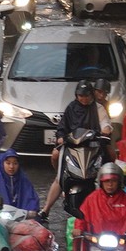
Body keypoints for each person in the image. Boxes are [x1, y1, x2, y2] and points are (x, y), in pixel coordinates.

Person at [40, 81, 106, 215]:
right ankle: (46, 210)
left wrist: (105, 131)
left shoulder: (98, 108)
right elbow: (62, 127)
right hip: (72, 146)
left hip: (92, 147)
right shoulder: (71, 108)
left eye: (86, 95)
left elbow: (105, 123)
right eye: (80, 96)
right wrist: (61, 137)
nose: (83, 98)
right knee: (58, 167)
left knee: (110, 156)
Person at [0, 148, 41, 213]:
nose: (11, 166)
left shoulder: (23, 179)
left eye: (15, 163)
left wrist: (31, 211)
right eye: (8, 163)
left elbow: (32, 198)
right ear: (2, 164)